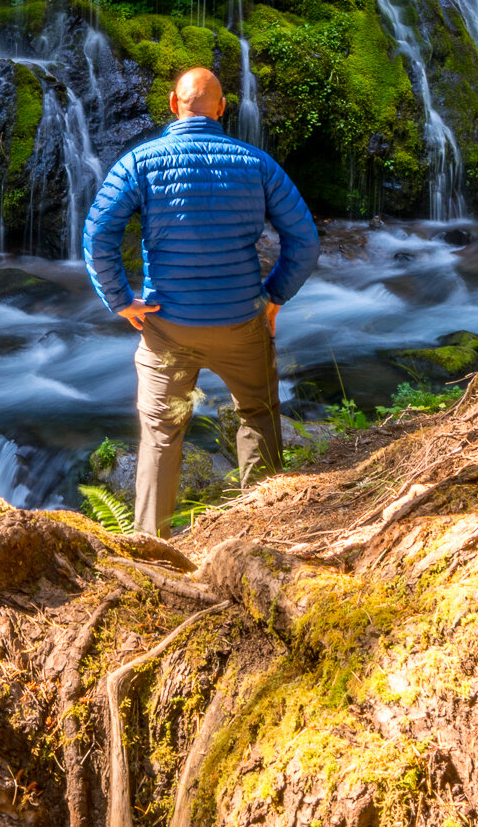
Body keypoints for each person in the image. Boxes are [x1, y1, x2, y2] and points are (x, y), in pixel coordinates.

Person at [83, 64, 320, 534]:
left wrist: (121, 300)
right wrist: (274, 297)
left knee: (161, 434)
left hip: (167, 326)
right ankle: (263, 531)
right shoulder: (256, 163)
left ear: (173, 105)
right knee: (257, 414)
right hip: (241, 324)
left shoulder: (139, 162)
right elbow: (306, 241)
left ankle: (153, 549)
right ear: (223, 109)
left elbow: (97, 236)